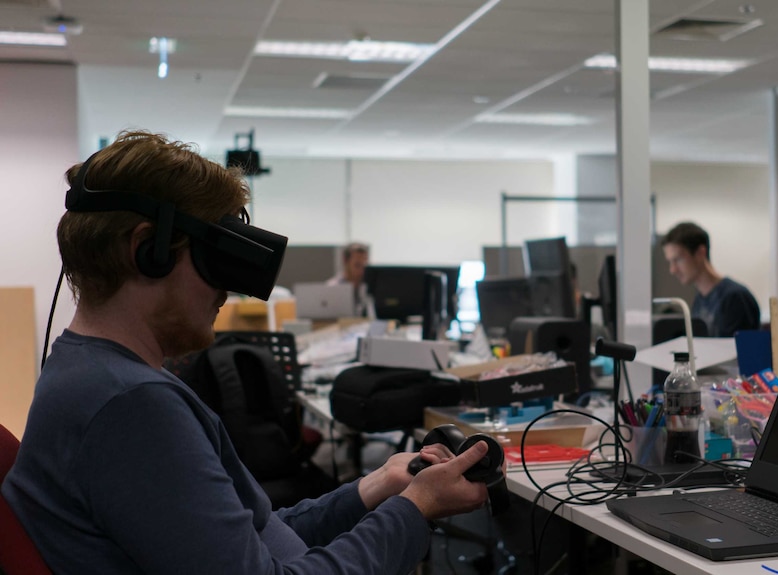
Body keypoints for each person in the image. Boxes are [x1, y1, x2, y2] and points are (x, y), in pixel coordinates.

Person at [1, 131, 490, 574]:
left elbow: (254, 536)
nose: (227, 293)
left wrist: (376, 487)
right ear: (148, 250)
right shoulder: (130, 405)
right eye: (216, 261)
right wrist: (417, 508)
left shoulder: (93, 371)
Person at [661, 221, 761, 337]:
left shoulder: (734, 298)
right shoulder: (700, 300)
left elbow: (736, 352)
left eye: (678, 259)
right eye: (670, 262)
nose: (673, 270)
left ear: (700, 253)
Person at [327, 242, 371, 316]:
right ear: (345, 261)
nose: (362, 271)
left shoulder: (369, 286)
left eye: (364, 266)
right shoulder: (331, 288)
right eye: (357, 265)